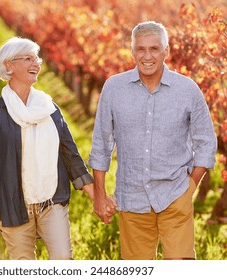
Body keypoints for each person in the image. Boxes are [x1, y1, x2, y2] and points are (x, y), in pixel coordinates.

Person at [0, 37, 116, 260]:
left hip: (52, 202)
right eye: (28, 58)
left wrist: (98, 197)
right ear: (9, 65)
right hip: (13, 206)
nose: (36, 63)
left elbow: (71, 157)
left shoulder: (49, 109)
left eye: (37, 58)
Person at [89, 21, 217, 260]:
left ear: (166, 52)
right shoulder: (114, 88)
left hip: (175, 195)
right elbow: (101, 145)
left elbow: (206, 142)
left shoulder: (187, 89)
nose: (147, 56)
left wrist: (190, 187)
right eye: (141, 49)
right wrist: (99, 195)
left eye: (154, 49)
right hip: (132, 199)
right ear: (132, 51)